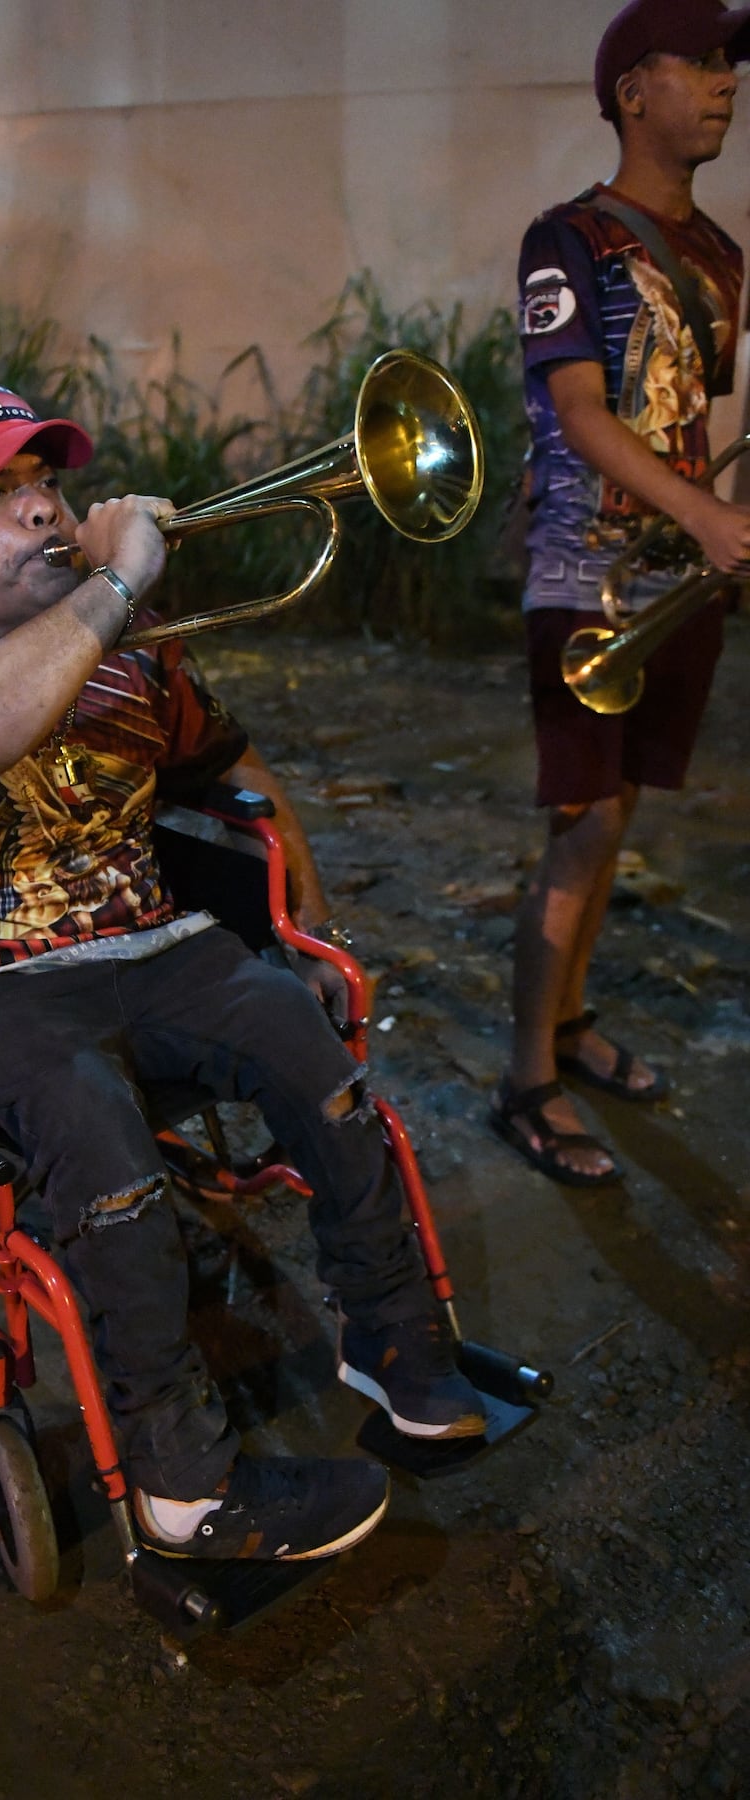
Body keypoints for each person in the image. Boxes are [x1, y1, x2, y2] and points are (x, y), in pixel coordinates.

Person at [0, 374, 485, 1563]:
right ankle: (183, 1486)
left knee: (314, 1061)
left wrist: (312, 930)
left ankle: (388, 1343)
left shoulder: (133, 657)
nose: (39, 513)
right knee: (100, 1139)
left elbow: (247, 778)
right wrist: (117, 586)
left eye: (49, 485)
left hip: (158, 946)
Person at [493, 0, 750, 1187]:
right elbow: (587, 414)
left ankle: (571, 1018)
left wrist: (712, 522)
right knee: (581, 821)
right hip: (585, 572)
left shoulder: (720, 255)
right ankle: (524, 1083)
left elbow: (693, 417)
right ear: (629, 91)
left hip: (676, 580)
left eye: (727, 66)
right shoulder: (571, 240)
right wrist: (707, 513)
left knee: (624, 812)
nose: (722, 83)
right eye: (697, 62)